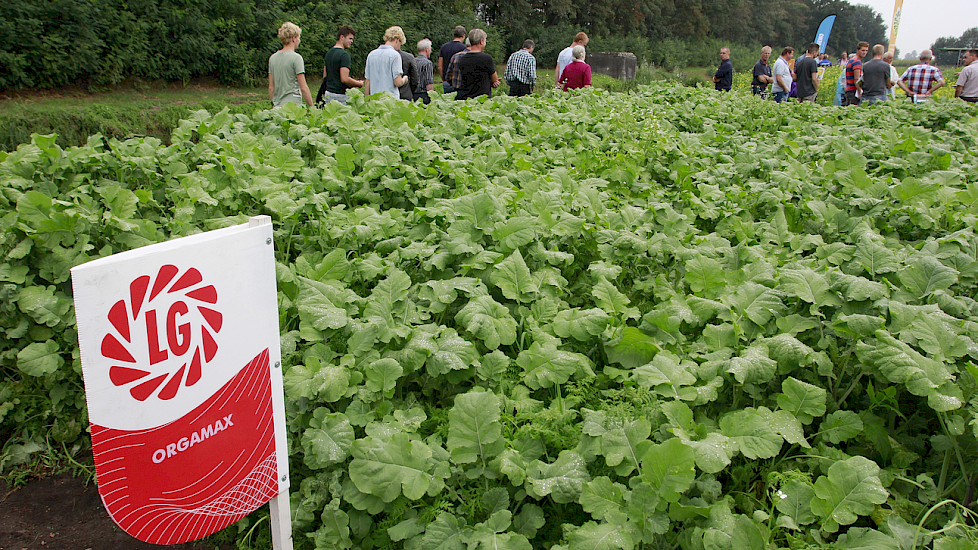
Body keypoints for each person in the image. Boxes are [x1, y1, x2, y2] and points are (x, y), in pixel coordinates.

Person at [268, 22, 314, 108]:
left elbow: (271, 87)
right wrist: (312, 106)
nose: (299, 41)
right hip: (293, 107)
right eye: (298, 38)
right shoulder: (296, 58)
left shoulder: (272, 58)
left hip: (277, 106)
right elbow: (303, 87)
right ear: (293, 38)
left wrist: (272, 105)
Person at [316, 25, 363, 106]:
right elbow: (344, 79)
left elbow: (325, 75)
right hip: (340, 96)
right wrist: (358, 83)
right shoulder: (344, 55)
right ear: (342, 37)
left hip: (328, 94)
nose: (351, 41)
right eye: (350, 38)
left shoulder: (329, 53)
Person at [364, 26, 409, 99]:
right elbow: (398, 82)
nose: (399, 47)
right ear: (397, 40)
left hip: (375, 100)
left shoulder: (371, 54)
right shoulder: (395, 55)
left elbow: (367, 81)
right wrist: (404, 79)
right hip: (389, 101)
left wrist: (367, 100)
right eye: (400, 44)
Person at [455, 29, 500, 100]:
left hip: (467, 99)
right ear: (481, 41)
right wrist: (494, 83)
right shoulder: (487, 58)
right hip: (482, 99)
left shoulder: (462, 58)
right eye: (485, 41)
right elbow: (494, 79)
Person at [438, 26, 467, 94]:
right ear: (463, 35)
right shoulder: (463, 48)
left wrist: (444, 78)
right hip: (459, 82)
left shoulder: (444, 47)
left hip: (447, 82)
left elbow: (440, 66)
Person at [844, 41, 869, 106]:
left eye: (866, 50)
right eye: (863, 50)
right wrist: (859, 91)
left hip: (849, 89)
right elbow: (857, 79)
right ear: (858, 50)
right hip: (853, 90)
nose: (865, 52)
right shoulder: (857, 62)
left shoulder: (852, 60)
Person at [413, 39, 435, 104]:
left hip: (413, 94)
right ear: (427, 50)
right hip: (423, 95)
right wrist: (433, 96)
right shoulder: (427, 63)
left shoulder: (413, 61)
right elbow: (429, 83)